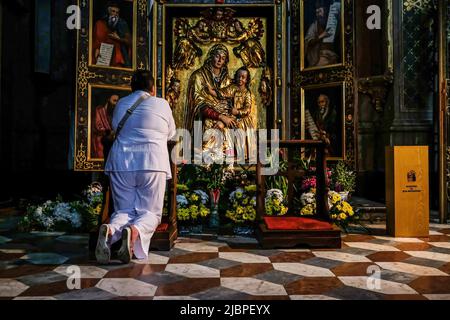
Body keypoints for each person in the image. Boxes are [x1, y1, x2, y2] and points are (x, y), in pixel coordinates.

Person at [96, 70, 176, 264]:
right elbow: (171, 134)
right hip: (152, 163)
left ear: (131, 88)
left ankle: (111, 230)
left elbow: (115, 128)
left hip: (121, 162)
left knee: (123, 210)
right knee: (150, 213)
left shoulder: (122, 103)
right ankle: (133, 233)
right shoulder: (162, 104)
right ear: (153, 88)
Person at [184, 44, 237, 150]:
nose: (220, 60)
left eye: (223, 58)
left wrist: (223, 120)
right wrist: (220, 116)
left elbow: (233, 103)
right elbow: (197, 104)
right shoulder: (198, 76)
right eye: (217, 56)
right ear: (211, 56)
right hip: (205, 121)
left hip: (224, 123)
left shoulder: (227, 80)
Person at [206, 67, 256, 161]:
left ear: (247, 80)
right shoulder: (232, 88)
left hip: (242, 119)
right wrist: (212, 91)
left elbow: (247, 109)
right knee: (221, 127)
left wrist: (238, 112)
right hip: (230, 116)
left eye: (243, 77)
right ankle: (223, 153)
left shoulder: (247, 93)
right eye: (238, 76)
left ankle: (239, 153)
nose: (240, 79)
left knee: (237, 131)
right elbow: (222, 92)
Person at [92, 1, 132, 68]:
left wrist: (119, 39)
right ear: (108, 12)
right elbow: (96, 40)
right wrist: (96, 48)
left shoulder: (122, 24)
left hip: (118, 57)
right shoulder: (100, 23)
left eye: (117, 12)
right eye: (113, 11)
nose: (115, 14)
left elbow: (129, 41)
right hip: (104, 55)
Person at [305, 0, 339, 68]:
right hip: (319, 57)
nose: (318, 14)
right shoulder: (314, 26)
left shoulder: (332, 22)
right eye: (316, 12)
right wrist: (322, 35)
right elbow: (308, 42)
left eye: (320, 11)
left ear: (325, 11)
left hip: (332, 55)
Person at [92, 94, 118, 159]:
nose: (116, 103)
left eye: (117, 101)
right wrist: (109, 132)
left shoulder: (117, 111)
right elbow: (97, 126)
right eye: (114, 101)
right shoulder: (100, 110)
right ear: (108, 100)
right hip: (101, 140)